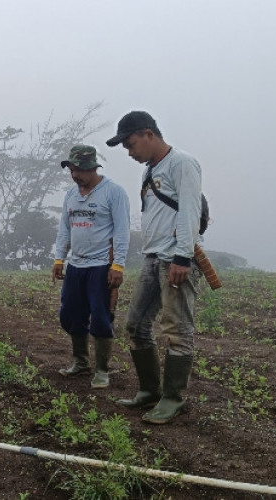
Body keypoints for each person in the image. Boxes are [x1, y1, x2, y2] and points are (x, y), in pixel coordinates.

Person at [106, 111, 202, 424]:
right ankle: (149, 391)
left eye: (131, 144)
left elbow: (190, 210)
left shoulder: (182, 163)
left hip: (175, 258)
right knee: (135, 324)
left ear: (148, 134)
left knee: (177, 330)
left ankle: (173, 398)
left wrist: (182, 257)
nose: (129, 152)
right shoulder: (150, 170)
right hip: (152, 257)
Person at [53, 145, 130, 389]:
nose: (75, 176)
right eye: (72, 170)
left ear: (93, 168)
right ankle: (81, 362)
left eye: (79, 170)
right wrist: (59, 258)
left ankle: (102, 370)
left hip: (101, 266)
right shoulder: (70, 195)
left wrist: (118, 265)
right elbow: (65, 228)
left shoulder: (114, 193)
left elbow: (122, 232)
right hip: (76, 265)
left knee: (100, 317)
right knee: (70, 314)